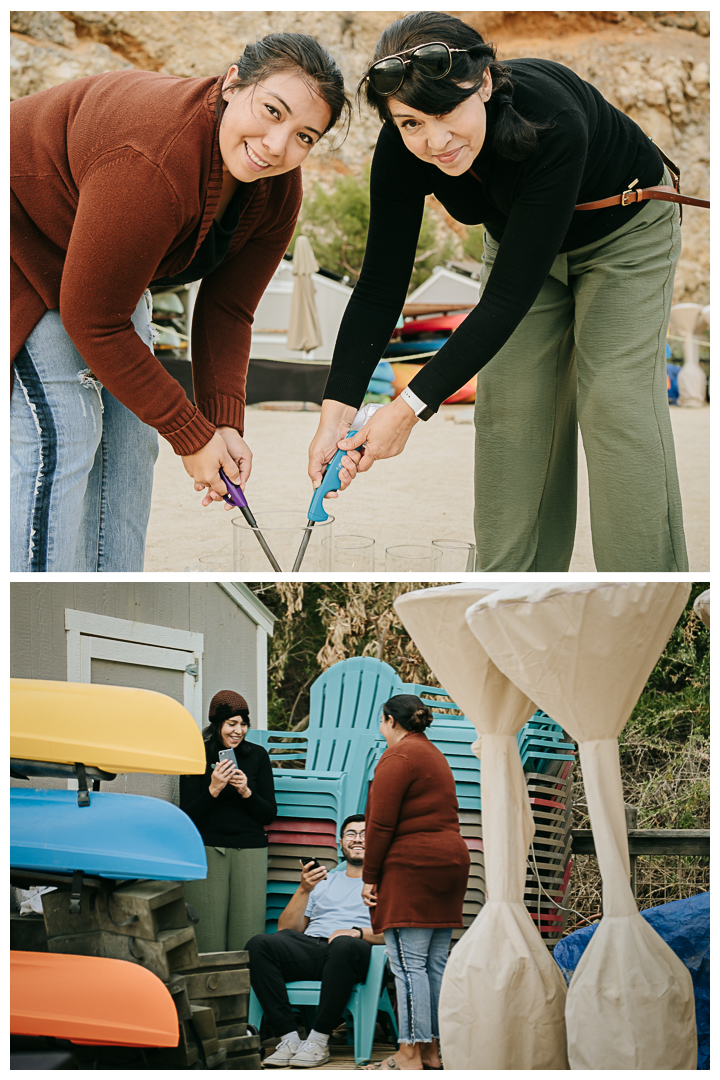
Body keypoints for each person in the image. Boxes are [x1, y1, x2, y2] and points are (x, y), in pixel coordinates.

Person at [308, 11, 691, 573]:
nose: (434, 141)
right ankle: (512, 596)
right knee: (509, 412)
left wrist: (408, 410)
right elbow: (379, 286)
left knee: (614, 401)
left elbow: (505, 301)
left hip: (625, 236)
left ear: (483, 83)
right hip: (517, 241)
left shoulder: (552, 118)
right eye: (411, 123)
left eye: (445, 112)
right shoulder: (400, 147)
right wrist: (334, 411)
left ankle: (642, 587)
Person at [11, 33, 350, 571]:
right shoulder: (154, 157)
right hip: (22, 237)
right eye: (271, 110)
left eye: (304, 135)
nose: (276, 144)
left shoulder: (278, 188)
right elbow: (92, 318)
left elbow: (227, 309)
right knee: (67, 429)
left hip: (96, 269)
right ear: (234, 82)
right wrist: (191, 436)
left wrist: (221, 424)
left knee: (131, 442)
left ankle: (111, 597)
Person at [361, 695, 470, 1071]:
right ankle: (432, 1052)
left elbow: (380, 823)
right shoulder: (433, 754)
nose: (381, 728)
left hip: (414, 866)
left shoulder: (398, 757)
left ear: (391, 720)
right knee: (434, 965)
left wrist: (370, 876)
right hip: (450, 861)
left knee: (408, 966)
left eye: (381, 721)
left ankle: (409, 1053)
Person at [246, 814, 385, 1068]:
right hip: (314, 948)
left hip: (354, 952)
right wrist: (303, 889)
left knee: (343, 944)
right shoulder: (323, 881)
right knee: (258, 944)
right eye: (351, 834)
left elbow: (397, 932)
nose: (358, 839)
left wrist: (357, 932)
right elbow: (286, 930)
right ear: (340, 842)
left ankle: (319, 1040)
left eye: (365, 834)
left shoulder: (386, 883)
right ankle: (289, 1038)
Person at [180, 690, 276, 953]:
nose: (239, 730)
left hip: (251, 849)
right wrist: (213, 789)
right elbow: (188, 816)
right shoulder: (196, 755)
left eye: (243, 724)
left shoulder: (257, 756)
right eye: (231, 724)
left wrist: (246, 792)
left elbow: (268, 814)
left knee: (248, 934)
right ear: (217, 724)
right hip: (209, 848)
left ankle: (245, 994)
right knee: (207, 935)